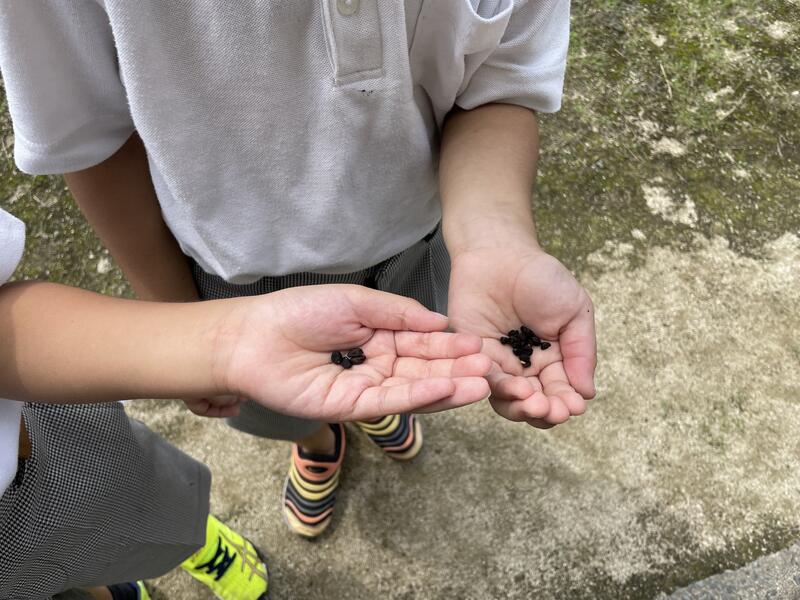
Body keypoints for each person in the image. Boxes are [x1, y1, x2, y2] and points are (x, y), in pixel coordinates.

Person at [0, 0, 597, 539]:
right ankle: (316, 438)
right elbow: (85, 137)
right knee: (280, 404)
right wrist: (178, 316)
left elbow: (498, 77)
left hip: (423, 238)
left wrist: (494, 237)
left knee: (408, 360)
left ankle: (374, 409)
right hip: (236, 283)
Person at [0, 206, 491, 599]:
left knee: (376, 369)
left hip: (34, 446)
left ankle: (364, 414)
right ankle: (319, 438)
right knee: (283, 404)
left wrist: (211, 343)